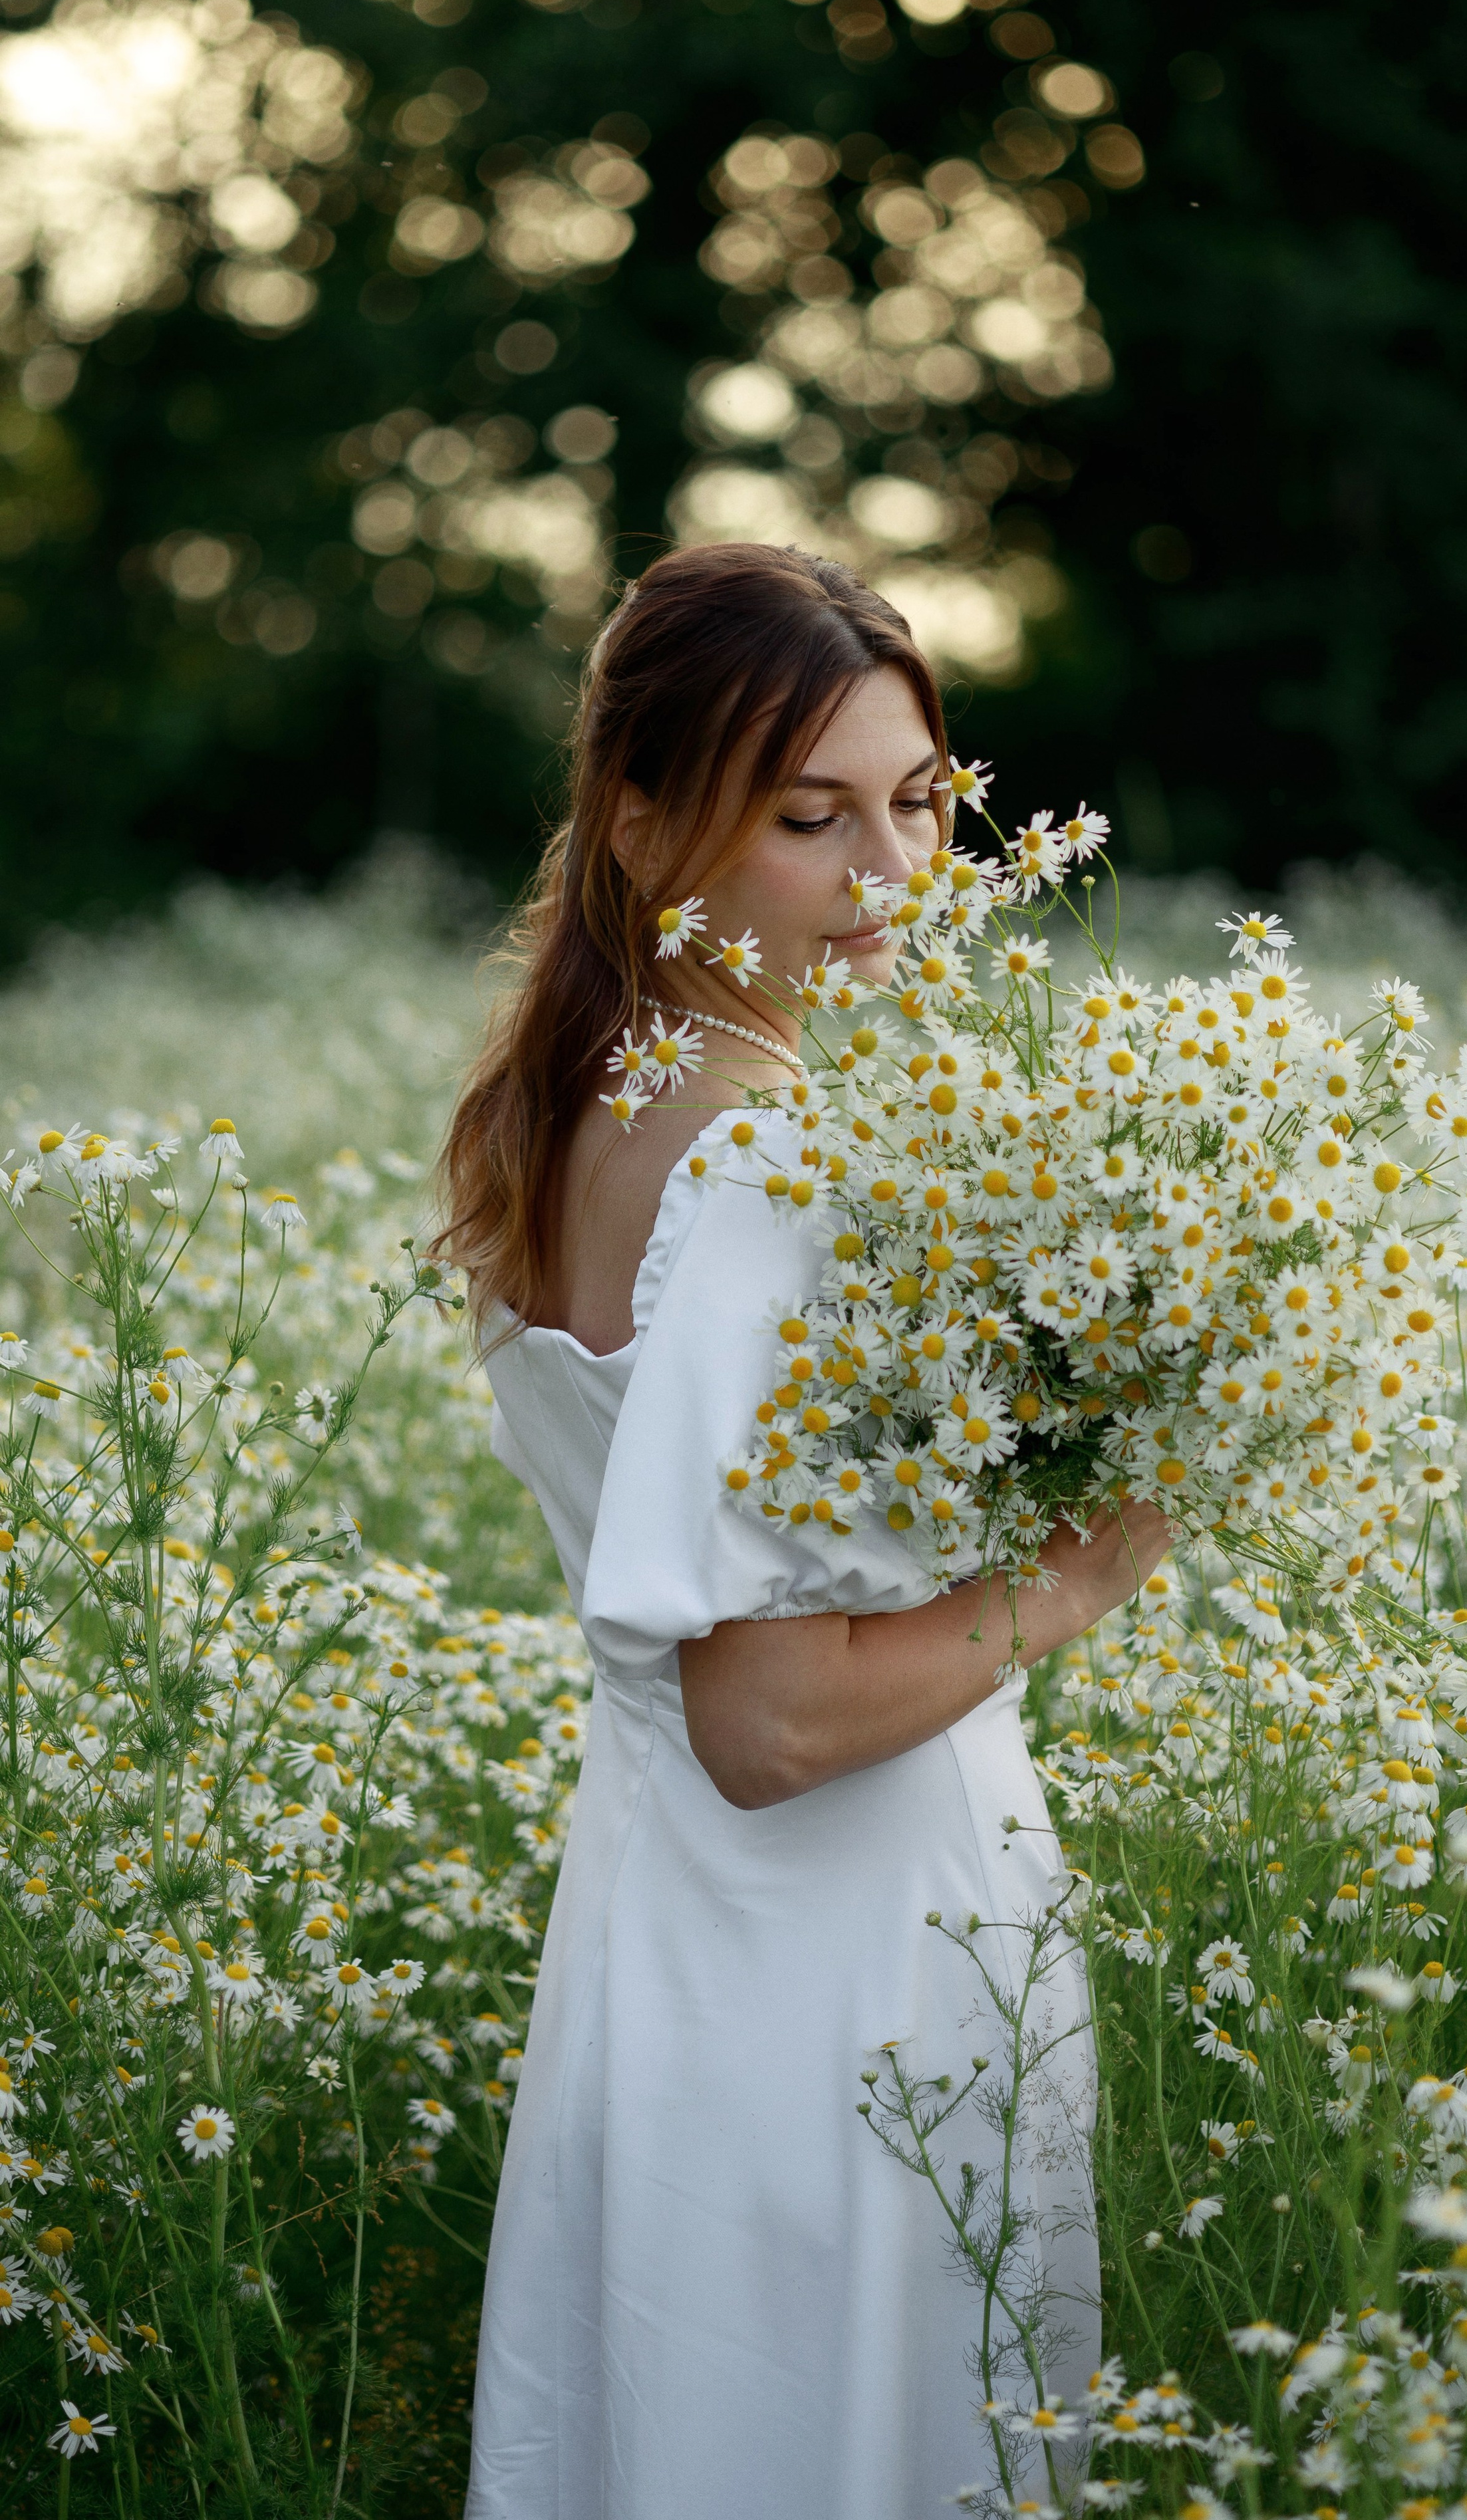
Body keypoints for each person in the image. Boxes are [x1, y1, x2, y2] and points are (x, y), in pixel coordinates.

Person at [438, 541, 1169, 2518]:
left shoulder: (572, 1109)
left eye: (920, 803)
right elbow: (764, 1724)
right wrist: (1082, 1569)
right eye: (807, 816)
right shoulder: (767, 1159)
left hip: (662, 1945)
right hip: (842, 1977)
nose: (890, 875)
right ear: (642, 824)